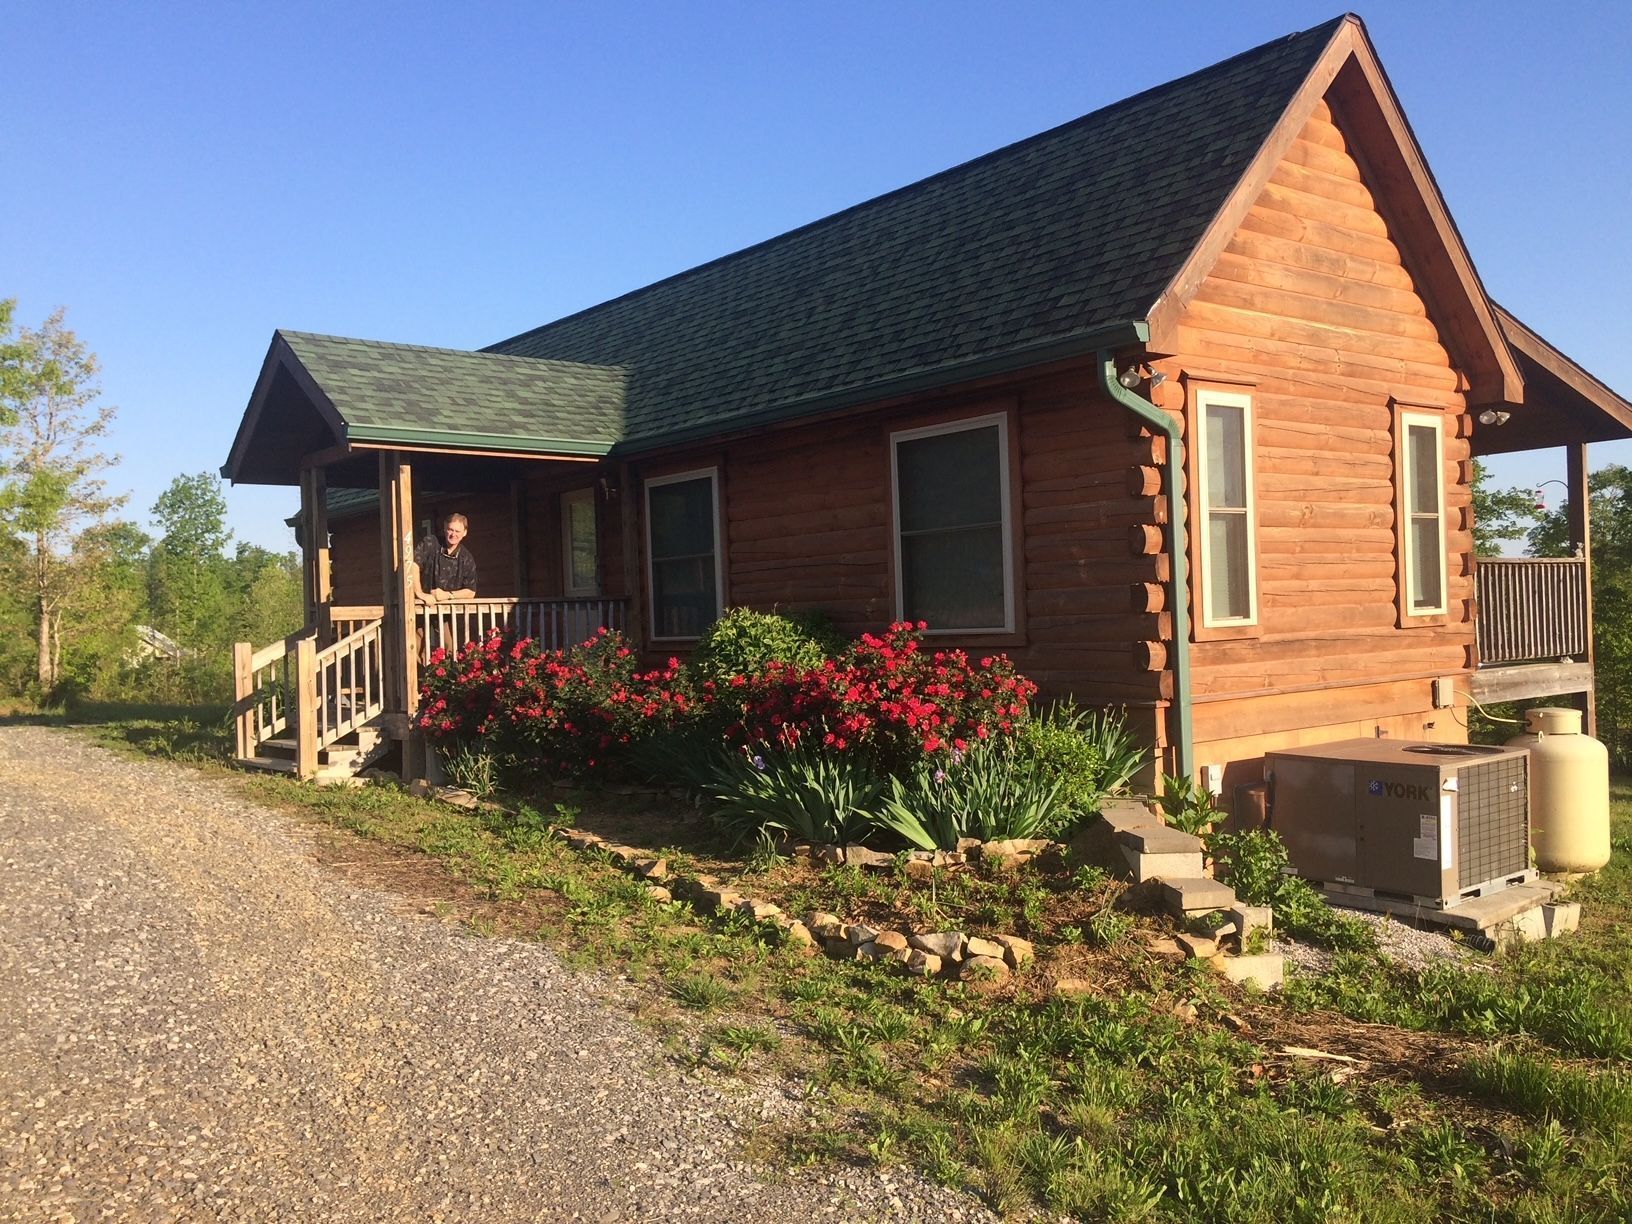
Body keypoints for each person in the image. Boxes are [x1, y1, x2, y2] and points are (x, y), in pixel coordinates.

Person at [414, 513, 478, 604]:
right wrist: (420, 593)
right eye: (450, 530)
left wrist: (448, 595)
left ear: (465, 533)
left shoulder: (467, 558)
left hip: (450, 614)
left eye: (457, 531)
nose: (453, 534)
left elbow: (471, 591)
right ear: (444, 528)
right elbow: (413, 565)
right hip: (423, 608)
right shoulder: (430, 543)